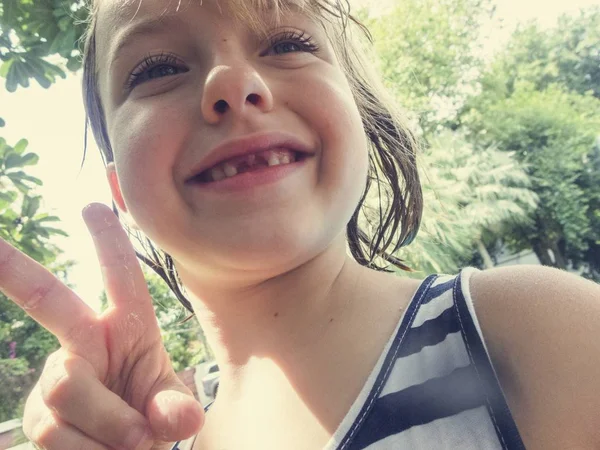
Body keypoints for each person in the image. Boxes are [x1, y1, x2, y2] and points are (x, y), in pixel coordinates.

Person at [1, 0, 599, 448]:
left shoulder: (528, 328)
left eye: (287, 43)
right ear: (118, 189)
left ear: (361, 118)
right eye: (156, 68)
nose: (232, 85)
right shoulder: (160, 434)